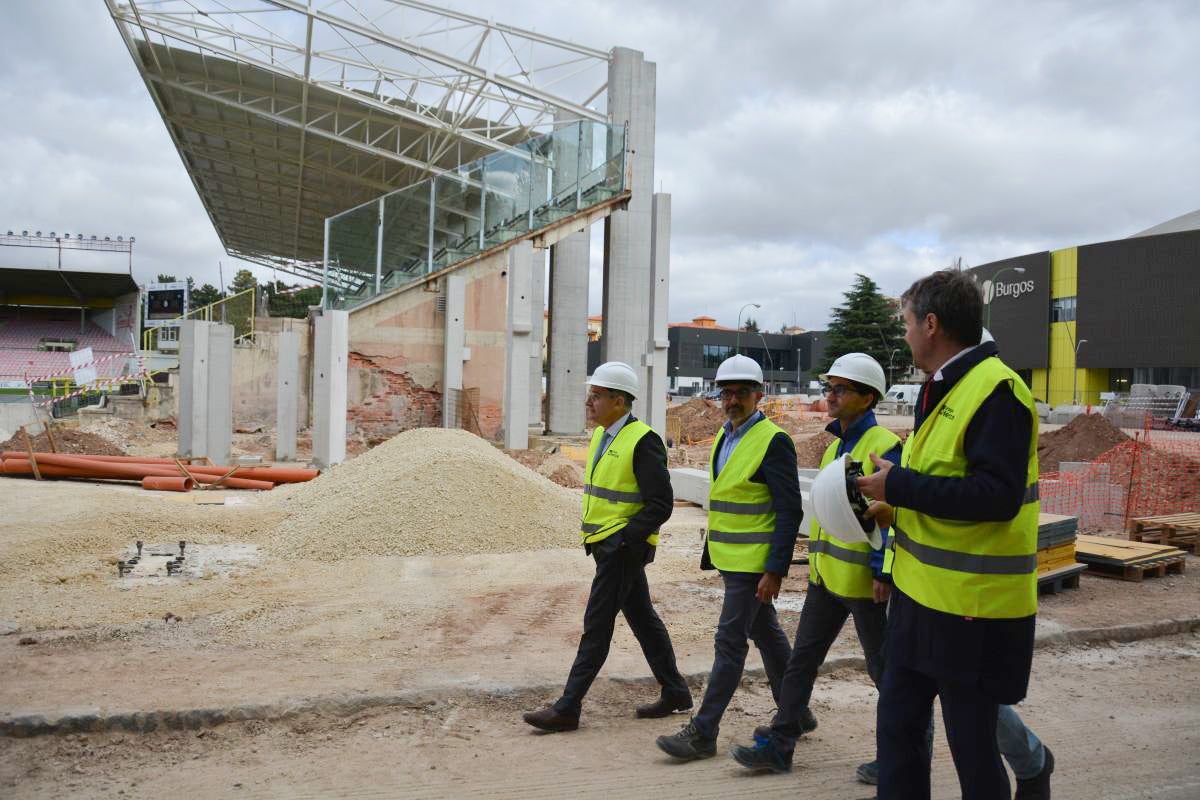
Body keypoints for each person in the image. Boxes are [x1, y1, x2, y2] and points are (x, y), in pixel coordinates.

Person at [855, 268, 1040, 799]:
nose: (905, 333)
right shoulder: (940, 389)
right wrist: (895, 506)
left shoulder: (997, 392)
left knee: (972, 748)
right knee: (899, 729)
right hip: (919, 598)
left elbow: (996, 499)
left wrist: (902, 486)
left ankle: (1035, 770)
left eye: (909, 323)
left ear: (932, 324)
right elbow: (943, 485)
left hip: (971, 610)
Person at [730, 352, 901, 775]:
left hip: (864, 582)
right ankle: (780, 745)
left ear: (867, 396)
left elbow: (895, 512)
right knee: (800, 664)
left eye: (840, 389)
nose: (830, 395)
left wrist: (884, 569)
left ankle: (898, 759)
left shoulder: (884, 447)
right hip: (827, 579)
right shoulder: (834, 449)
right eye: (830, 388)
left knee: (886, 674)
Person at [523, 361, 691, 732]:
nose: (589, 401)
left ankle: (568, 707)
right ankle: (676, 691)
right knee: (643, 619)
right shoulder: (601, 436)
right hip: (606, 545)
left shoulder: (643, 440)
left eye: (596, 396)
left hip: (622, 549)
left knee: (596, 626)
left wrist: (624, 540)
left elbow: (660, 504)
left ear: (618, 401)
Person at [655, 354, 802, 760]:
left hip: (753, 564)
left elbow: (790, 511)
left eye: (741, 393)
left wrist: (775, 569)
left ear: (759, 395)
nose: (732, 400)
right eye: (727, 393)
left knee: (730, 642)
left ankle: (703, 733)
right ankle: (798, 710)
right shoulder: (725, 435)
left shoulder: (774, 441)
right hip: (730, 558)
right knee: (766, 634)